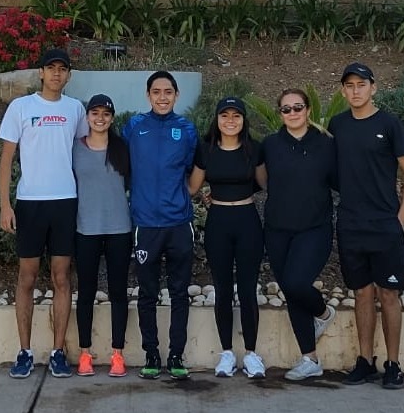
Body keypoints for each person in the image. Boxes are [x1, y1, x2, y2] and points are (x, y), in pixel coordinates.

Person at [329, 62, 404, 390]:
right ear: (343, 90)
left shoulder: (389, 124)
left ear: (373, 88)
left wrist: (402, 217)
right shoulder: (337, 124)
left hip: (385, 224)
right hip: (351, 223)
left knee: (389, 293)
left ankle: (393, 364)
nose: (356, 90)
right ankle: (365, 361)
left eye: (361, 84)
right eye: (350, 85)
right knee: (362, 293)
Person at [0, 47, 87, 379]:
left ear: (68, 75)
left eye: (62, 69)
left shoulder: (75, 109)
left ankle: (58, 352)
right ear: (40, 72)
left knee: (62, 278)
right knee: (27, 278)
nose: (56, 74)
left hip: (65, 201)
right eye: (51, 68)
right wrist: (6, 205)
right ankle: (24, 352)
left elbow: (82, 154)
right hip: (30, 204)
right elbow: (6, 159)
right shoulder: (21, 107)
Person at [256, 89, 338, 381]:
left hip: (314, 228)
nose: (292, 113)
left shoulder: (327, 145)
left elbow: (343, 180)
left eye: (298, 107)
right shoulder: (270, 145)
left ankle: (324, 313)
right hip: (277, 229)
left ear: (308, 110)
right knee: (291, 291)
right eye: (286, 109)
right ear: (280, 113)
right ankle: (310, 359)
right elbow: (261, 180)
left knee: (296, 282)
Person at [126, 70, 199, 379]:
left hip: (179, 223)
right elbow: (123, 166)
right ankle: (152, 353)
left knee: (180, 293)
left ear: (176, 95)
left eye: (168, 91)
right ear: (148, 96)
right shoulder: (133, 127)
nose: (162, 97)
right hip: (146, 224)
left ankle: (176, 355)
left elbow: (195, 170)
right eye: (156, 92)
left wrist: (187, 195)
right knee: (147, 293)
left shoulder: (186, 130)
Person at [189, 95, 266, 378]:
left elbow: (264, 183)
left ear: (243, 121)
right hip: (218, 223)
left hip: (247, 221)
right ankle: (226, 354)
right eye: (225, 115)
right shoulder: (206, 150)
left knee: (247, 290)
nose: (230, 121)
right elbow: (192, 188)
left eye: (236, 116)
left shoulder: (254, 150)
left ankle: (252, 354)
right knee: (222, 290)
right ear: (217, 119)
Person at [73, 93, 133, 377]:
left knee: (118, 293)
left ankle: (117, 354)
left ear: (111, 118)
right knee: (85, 293)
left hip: (119, 229)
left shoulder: (123, 149)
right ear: (87, 117)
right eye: (95, 113)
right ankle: (85, 353)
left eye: (105, 114)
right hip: (86, 230)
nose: (100, 118)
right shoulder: (75, 149)